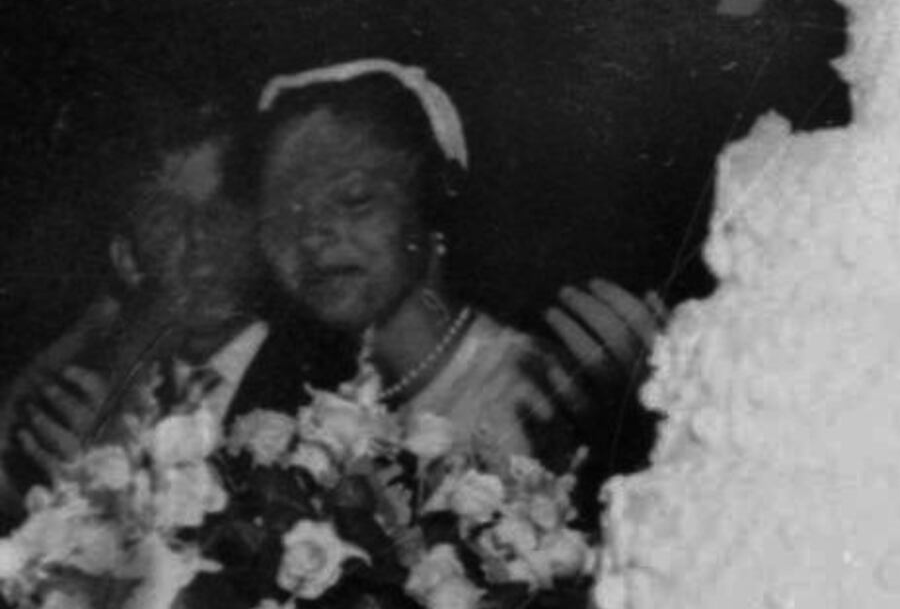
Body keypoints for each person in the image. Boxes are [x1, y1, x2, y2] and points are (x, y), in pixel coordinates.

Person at [226, 60, 659, 481]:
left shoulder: (537, 395)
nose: (310, 236)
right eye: (282, 215)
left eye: (355, 199)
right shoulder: (303, 416)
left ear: (429, 199)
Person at [0, 90, 267, 498]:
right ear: (127, 259)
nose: (200, 239)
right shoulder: (97, 403)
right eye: (166, 217)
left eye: (223, 212)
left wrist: (119, 490)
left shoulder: (324, 381)